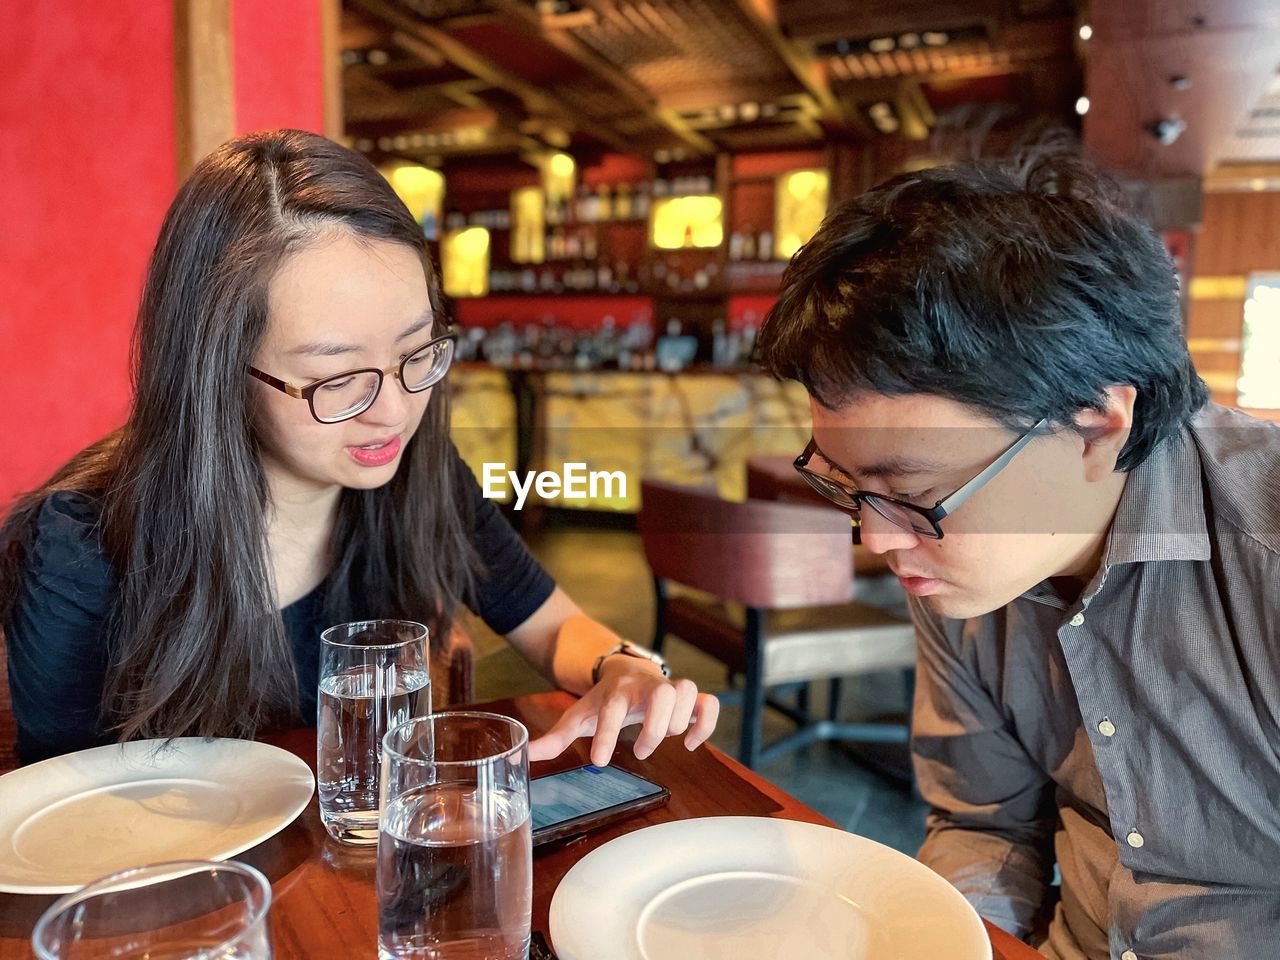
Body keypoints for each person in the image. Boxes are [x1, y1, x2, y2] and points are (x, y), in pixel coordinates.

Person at [0, 129, 718, 768]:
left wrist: (623, 668)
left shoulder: (421, 479)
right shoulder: (83, 550)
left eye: (417, 353)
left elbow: (554, 625)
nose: (396, 412)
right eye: (339, 379)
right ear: (217, 369)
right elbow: (70, 827)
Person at [754, 151, 1280, 959]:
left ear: (1098, 427)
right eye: (848, 486)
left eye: (914, 491)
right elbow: (983, 824)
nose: (879, 538)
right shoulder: (954, 573)